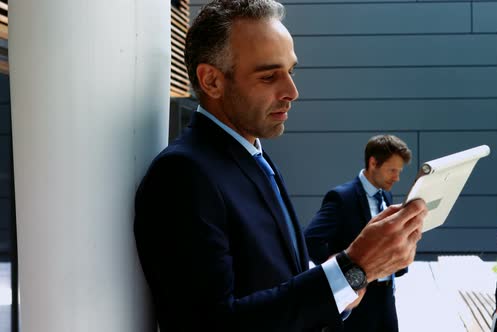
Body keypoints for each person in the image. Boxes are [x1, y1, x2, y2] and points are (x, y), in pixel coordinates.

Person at [133, 1, 427, 331]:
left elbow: (276, 279)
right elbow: (212, 325)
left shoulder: (251, 156)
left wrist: (340, 277)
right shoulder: (183, 176)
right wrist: (353, 268)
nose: (292, 91)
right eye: (270, 75)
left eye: (291, 71)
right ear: (212, 81)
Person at [304, 134, 412, 332]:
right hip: (358, 298)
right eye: (392, 170)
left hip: (386, 295)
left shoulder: (385, 194)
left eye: (399, 171)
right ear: (373, 163)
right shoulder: (342, 197)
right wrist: (343, 276)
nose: (397, 178)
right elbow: (311, 240)